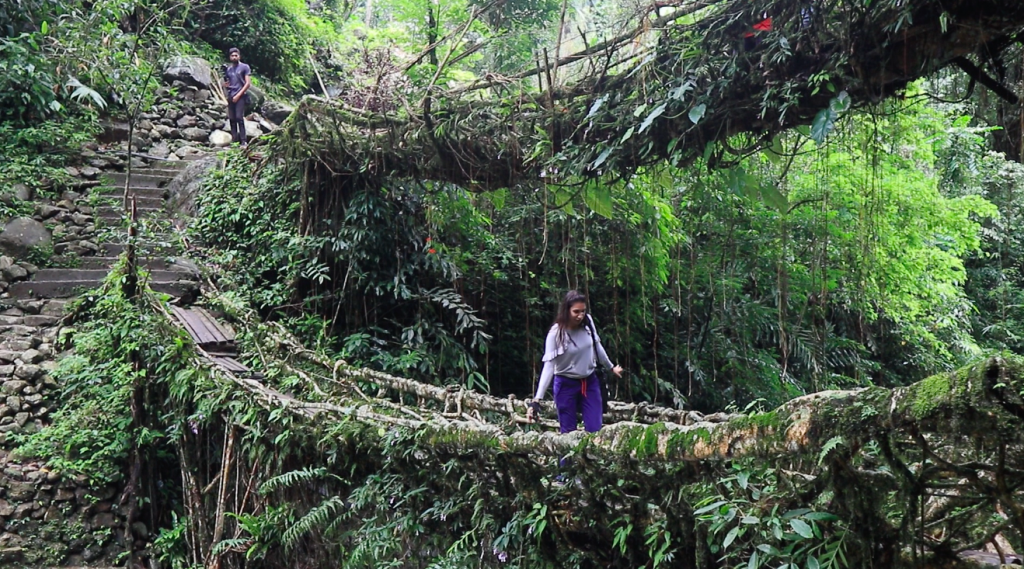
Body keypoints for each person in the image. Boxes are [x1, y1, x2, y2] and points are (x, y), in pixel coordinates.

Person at [527, 290, 623, 433]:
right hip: (566, 384)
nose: (580, 315)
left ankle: (591, 455)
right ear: (567, 311)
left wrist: (611, 367)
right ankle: (567, 456)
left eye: (583, 311)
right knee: (568, 431)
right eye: (576, 312)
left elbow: (597, 346)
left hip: (589, 382)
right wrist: (537, 399)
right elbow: (549, 366)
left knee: (594, 429)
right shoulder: (556, 334)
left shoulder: (588, 322)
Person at [223, 47, 252, 146]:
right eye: (232, 56)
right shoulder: (229, 69)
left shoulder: (244, 67)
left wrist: (239, 95)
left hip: (240, 95)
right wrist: (227, 86)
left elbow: (247, 83)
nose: (234, 57)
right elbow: (229, 82)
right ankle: (235, 141)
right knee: (232, 118)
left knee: (239, 117)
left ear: (239, 56)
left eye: (236, 55)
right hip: (231, 95)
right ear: (230, 57)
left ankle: (243, 141)